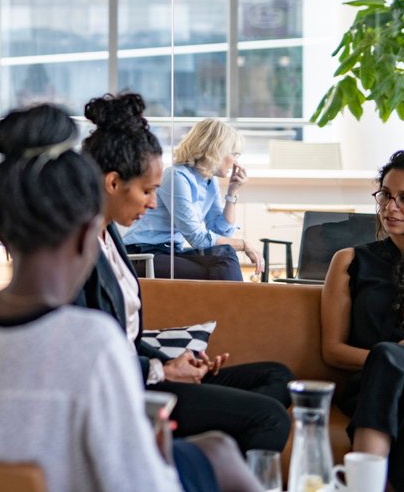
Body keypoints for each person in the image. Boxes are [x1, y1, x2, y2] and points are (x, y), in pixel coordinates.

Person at [0, 104, 260, 492]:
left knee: (216, 447)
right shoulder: (92, 341)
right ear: (89, 236)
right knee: (222, 456)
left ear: (2, 232)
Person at [79, 93, 293, 454]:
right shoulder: (80, 255)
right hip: (135, 385)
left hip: (149, 369)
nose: (151, 202)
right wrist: (162, 371)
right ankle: (203, 455)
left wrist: (175, 360)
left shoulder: (110, 237)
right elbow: (95, 360)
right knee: (271, 416)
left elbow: (127, 337)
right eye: (147, 191)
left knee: (278, 376)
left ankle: (200, 446)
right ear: (113, 183)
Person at [321, 149, 404, 492]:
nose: (391, 207)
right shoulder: (349, 262)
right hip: (372, 391)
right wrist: (390, 357)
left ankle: (362, 487)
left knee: (393, 358)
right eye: (386, 195)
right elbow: (332, 351)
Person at [123, 117, 263, 281]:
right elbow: (197, 238)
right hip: (143, 254)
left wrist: (232, 193)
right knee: (224, 260)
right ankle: (240, 305)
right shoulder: (176, 176)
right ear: (216, 150)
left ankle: (233, 306)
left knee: (225, 254)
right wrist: (244, 245)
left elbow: (220, 232)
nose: (235, 161)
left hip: (169, 251)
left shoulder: (209, 181)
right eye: (233, 154)